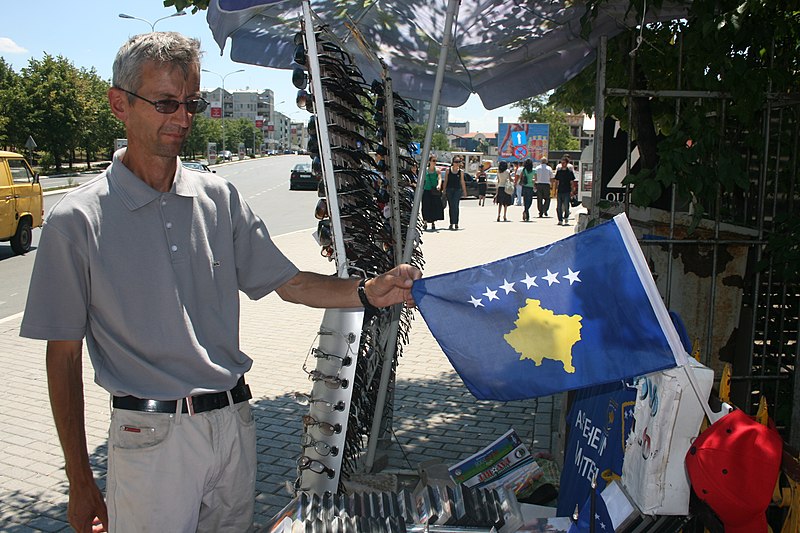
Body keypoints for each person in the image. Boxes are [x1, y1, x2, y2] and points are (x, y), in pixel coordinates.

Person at [19, 32, 421, 533]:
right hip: (150, 438)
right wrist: (79, 477)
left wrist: (366, 290)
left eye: (193, 103)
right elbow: (62, 358)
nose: (183, 119)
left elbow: (289, 283)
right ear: (119, 103)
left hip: (233, 425)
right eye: (166, 103)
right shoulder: (76, 219)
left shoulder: (217, 197)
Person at [442, 156, 467, 230]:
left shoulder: (461, 172)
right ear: (453, 162)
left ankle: (456, 223)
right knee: (451, 206)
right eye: (456, 162)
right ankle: (451, 223)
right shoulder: (448, 170)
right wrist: (444, 190)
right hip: (449, 189)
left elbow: (462, 181)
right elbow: (446, 180)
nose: (457, 163)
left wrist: (464, 191)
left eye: (459, 162)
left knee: (455, 206)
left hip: (457, 190)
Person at [421, 154, 444, 230]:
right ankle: (425, 222)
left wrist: (439, 185)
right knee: (426, 206)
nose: (435, 162)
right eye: (433, 161)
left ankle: (433, 222)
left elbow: (440, 178)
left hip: (434, 191)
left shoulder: (437, 170)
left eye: (435, 161)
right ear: (429, 162)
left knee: (434, 206)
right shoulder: (425, 170)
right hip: (426, 190)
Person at [554, 156, 577, 225]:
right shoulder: (559, 172)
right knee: (559, 206)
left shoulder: (569, 172)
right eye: (561, 162)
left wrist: (572, 191)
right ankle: (560, 219)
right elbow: (556, 181)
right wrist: (554, 190)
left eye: (564, 162)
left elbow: (572, 182)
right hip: (560, 190)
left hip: (567, 190)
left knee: (566, 206)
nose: (562, 164)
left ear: (567, 163)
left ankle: (566, 217)